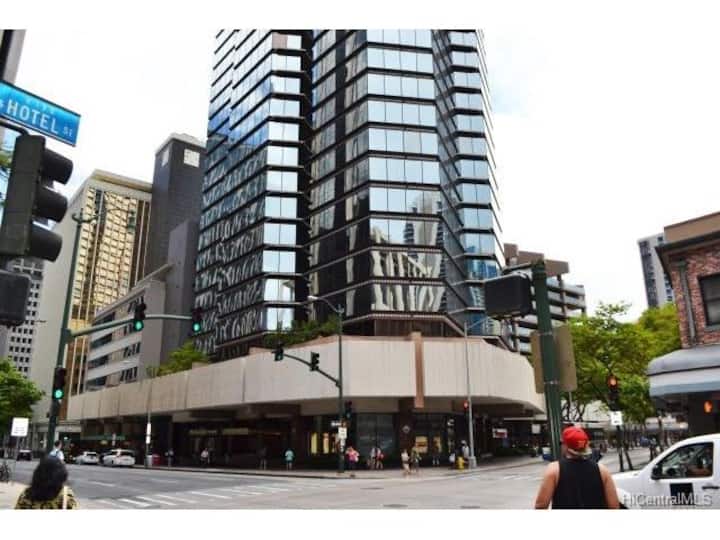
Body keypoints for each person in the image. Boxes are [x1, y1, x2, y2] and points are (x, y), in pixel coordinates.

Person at [534, 426, 620, 509]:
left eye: (561, 443)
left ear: (566, 446)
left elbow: (541, 506)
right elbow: (614, 506)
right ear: (586, 446)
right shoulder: (602, 470)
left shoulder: (554, 470)